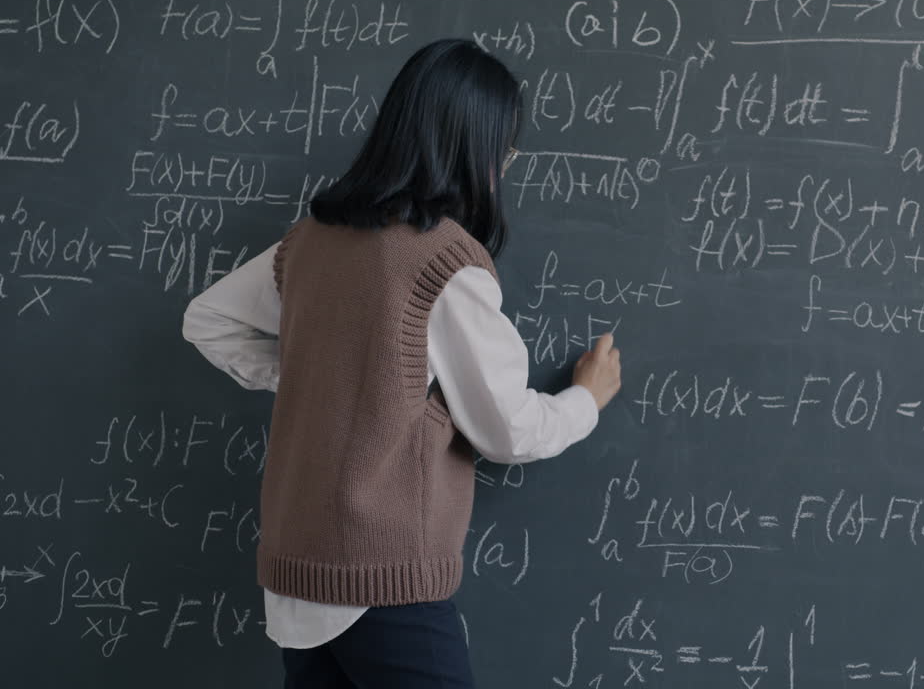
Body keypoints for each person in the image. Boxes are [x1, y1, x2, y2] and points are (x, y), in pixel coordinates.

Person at [180, 38, 622, 688]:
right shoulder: (443, 263)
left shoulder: (312, 239)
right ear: (473, 148)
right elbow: (508, 431)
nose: (503, 168)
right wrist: (587, 397)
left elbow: (208, 320)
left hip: (296, 571)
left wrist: (322, 374)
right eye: (504, 150)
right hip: (380, 578)